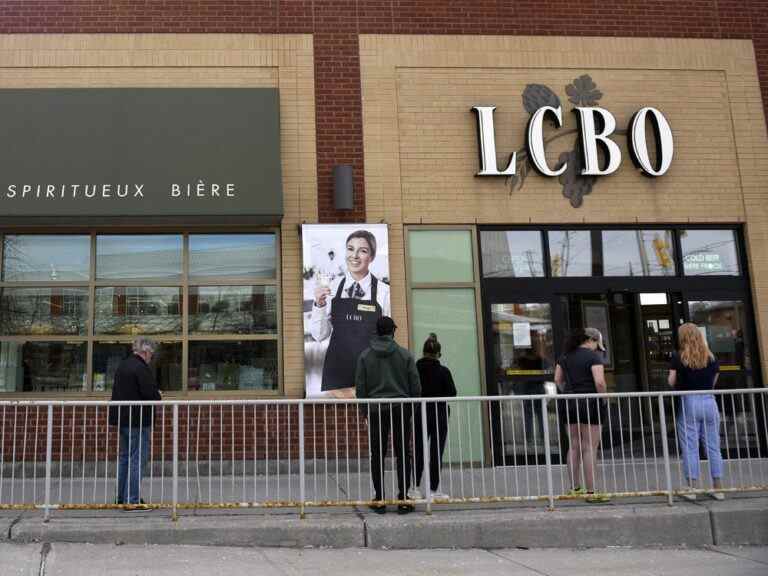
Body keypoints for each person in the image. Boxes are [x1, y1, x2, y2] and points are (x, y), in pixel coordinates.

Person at [311, 230, 390, 396]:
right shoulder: (331, 288)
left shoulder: (384, 293)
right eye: (350, 249)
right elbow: (319, 335)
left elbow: (387, 340)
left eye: (362, 251)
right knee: (337, 422)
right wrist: (319, 304)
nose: (354, 255)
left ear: (372, 257)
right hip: (336, 381)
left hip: (371, 379)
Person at [355, 316, 421, 514]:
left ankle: (380, 498)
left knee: (378, 454)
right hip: (401, 408)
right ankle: (403, 498)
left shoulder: (365, 356)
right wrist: (411, 410)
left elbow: (361, 388)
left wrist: (365, 412)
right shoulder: (405, 355)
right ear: (393, 331)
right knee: (403, 453)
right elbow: (416, 387)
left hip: (376, 409)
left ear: (376, 332)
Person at [668, 323, 724, 501]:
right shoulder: (711, 356)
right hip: (709, 401)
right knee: (713, 446)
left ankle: (692, 487)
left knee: (690, 446)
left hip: (689, 401)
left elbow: (671, 381)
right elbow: (714, 380)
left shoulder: (679, 357)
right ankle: (718, 488)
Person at [554, 327, 609, 503]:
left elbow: (557, 380)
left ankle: (574, 488)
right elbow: (599, 382)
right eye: (597, 344)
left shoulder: (565, 356)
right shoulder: (594, 357)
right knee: (590, 447)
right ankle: (592, 492)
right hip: (590, 403)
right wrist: (604, 398)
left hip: (569, 403)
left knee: (574, 446)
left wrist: (569, 392)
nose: (597, 348)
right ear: (592, 340)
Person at [108, 337, 162, 510]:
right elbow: (149, 393)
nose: (151, 358)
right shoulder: (141, 368)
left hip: (123, 420)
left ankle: (121, 497)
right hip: (138, 421)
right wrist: (158, 394)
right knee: (137, 459)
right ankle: (132, 499)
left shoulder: (123, 365)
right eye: (151, 355)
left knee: (125, 458)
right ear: (145, 352)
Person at [409, 333, 456, 501]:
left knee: (418, 450)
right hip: (439, 413)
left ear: (423, 352)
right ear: (438, 354)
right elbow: (452, 393)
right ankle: (434, 490)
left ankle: (414, 488)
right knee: (436, 451)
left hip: (419, 413)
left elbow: (411, 390)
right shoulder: (443, 371)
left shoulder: (415, 369)